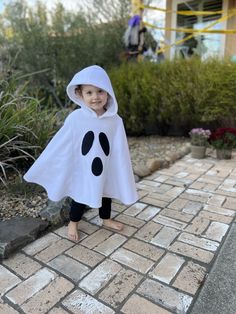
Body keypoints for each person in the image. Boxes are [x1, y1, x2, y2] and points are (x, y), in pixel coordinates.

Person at [24, 65, 138, 242]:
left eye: (100, 91)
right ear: (80, 94)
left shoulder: (115, 121)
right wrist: (50, 162)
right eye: (89, 92)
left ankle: (106, 219)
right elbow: (63, 143)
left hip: (106, 165)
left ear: (108, 92)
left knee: (106, 192)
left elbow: (119, 148)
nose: (95, 97)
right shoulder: (76, 118)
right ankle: (73, 222)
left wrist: (119, 168)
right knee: (81, 195)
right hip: (84, 167)